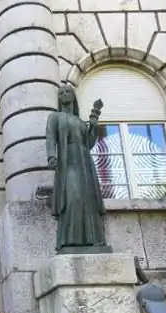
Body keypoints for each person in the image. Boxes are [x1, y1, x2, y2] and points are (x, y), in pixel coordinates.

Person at [45, 84, 110, 254]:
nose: (65, 94)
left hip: (85, 163)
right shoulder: (55, 117)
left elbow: (89, 143)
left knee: (88, 199)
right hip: (68, 161)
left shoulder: (80, 121)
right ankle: (69, 240)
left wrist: (93, 125)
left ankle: (93, 240)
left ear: (74, 96)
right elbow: (50, 137)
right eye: (61, 92)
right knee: (72, 197)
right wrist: (51, 156)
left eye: (68, 92)